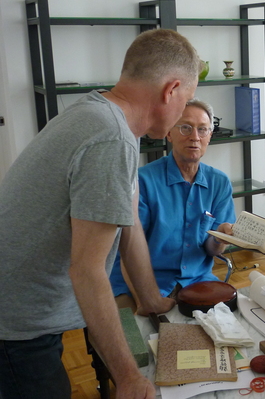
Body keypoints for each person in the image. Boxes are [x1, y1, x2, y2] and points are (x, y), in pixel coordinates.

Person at [0, 28, 200, 399]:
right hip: (16, 319)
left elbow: (129, 222)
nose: (181, 114)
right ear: (171, 90)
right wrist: (128, 378)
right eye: (185, 99)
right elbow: (87, 270)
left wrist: (151, 299)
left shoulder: (108, 117)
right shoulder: (111, 136)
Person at [110, 99, 236, 310]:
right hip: (143, 280)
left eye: (202, 130)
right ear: (169, 133)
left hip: (197, 280)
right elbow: (129, 249)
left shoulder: (219, 182)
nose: (195, 137)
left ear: (209, 136)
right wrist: (145, 300)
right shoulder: (143, 181)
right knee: (133, 328)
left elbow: (211, 250)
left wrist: (219, 239)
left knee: (231, 323)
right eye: (186, 128)